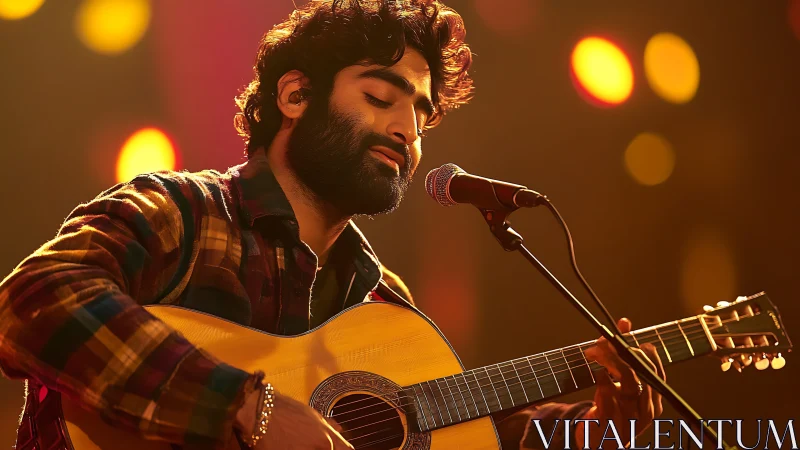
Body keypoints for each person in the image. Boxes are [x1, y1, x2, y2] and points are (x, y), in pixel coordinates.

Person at [0, 1, 665, 449]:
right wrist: (244, 407)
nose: (406, 130)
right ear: (295, 96)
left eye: (422, 116)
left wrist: (601, 429)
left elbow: (461, 429)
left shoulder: (383, 302)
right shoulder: (182, 212)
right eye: (380, 97)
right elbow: (31, 299)